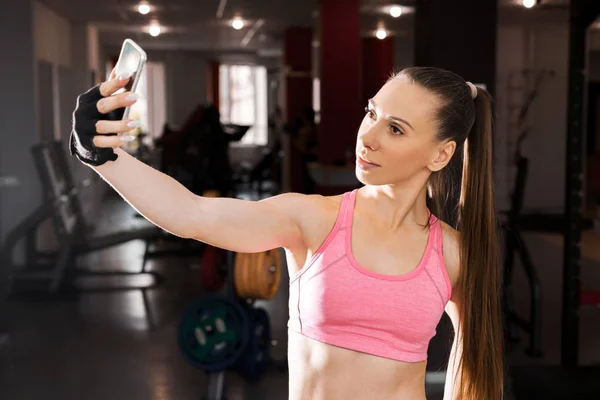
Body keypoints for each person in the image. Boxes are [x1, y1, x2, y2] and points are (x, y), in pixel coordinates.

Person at [69, 66, 504, 400]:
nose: (367, 136)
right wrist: (101, 156)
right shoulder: (314, 218)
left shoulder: (451, 253)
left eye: (395, 129)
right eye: (371, 112)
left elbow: (469, 367)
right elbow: (193, 213)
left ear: (440, 153)